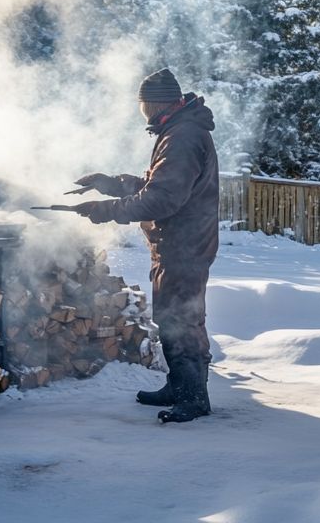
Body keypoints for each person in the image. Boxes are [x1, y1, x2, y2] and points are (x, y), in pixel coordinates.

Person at [70, 68, 219, 423]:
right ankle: (180, 386)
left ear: (153, 104)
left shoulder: (182, 137)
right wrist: (113, 184)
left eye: (142, 107)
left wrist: (107, 211)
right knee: (175, 318)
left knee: (182, 321)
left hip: (183, 246)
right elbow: (157, 186)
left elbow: (162, 200)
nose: (142, 113)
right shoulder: (179, 130)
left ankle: (192, 397)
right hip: (179, 244)